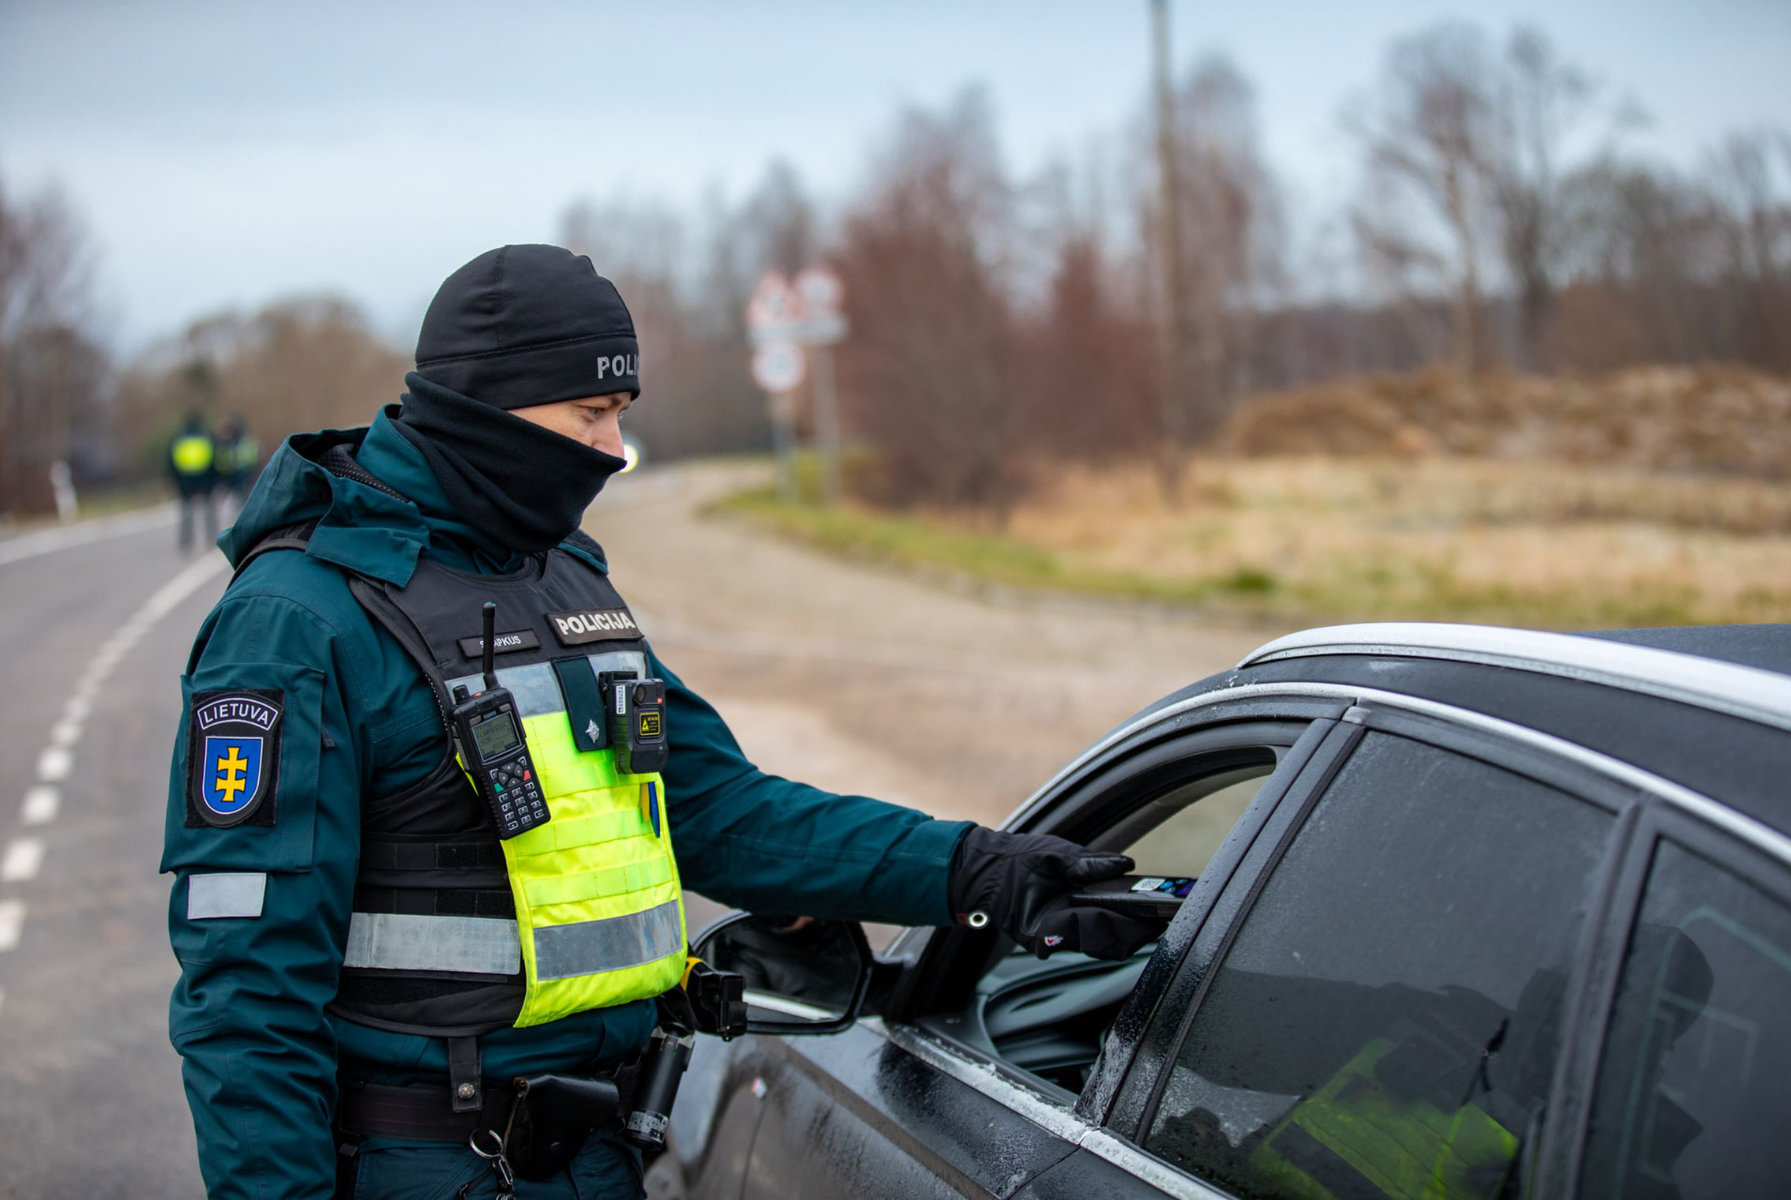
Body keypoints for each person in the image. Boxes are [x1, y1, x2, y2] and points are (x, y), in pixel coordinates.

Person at [162, 244, 1160, 1200]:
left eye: (621, 415)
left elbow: (719, 813)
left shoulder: (562, 575)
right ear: (486, 407)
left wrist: (975, 872)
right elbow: (246, 999)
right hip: (426, 1164)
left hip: (599, 1156)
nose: (613, 451)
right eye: (591, 414)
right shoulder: (302, 619)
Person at [168, 411, 218, 550]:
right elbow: (214, 461)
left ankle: (185, 542)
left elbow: (171, 463)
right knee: (209, 513)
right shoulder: (206, 438)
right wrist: (215, 480)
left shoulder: (178, 440)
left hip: (185, 482)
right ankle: (213, 539)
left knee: (186, 515)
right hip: (205, 481)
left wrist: (176, 481)